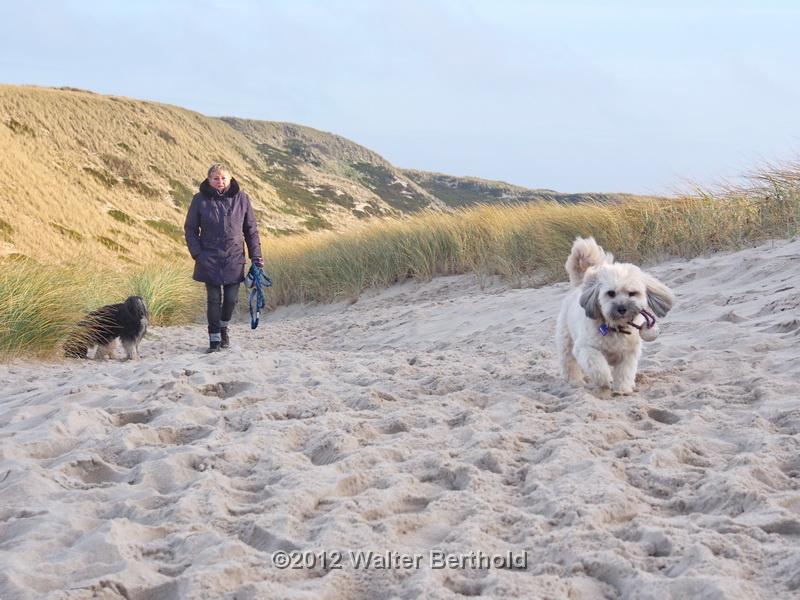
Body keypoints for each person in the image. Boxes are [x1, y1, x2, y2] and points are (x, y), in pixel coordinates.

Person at [184, 163, 264, 352]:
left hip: (234, 257)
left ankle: (223, 326)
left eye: (223, 178)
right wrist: (197, 254)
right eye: (215, 178)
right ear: (209, 180)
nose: (220, 181)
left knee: (231, 299)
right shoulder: (199, 200)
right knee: (213, 299)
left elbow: (250, 229)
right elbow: (190, 230)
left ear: (230, 178)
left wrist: (256, 256)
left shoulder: (242, 199)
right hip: (208, 258)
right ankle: (214, 339)